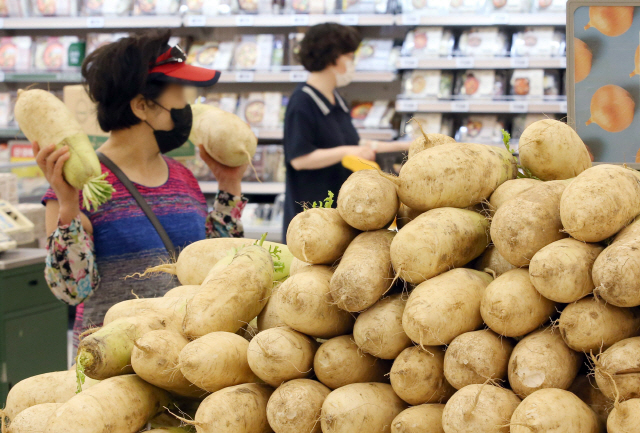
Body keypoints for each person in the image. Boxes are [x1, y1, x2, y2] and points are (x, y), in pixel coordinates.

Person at [36, 31, 248, 348]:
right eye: (178, 92)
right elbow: (69, 290)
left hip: (183, 357)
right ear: (142, 106)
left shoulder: (182, 176)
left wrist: (229, 184)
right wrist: (68, 206)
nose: (187, 104)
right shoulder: (79, 185)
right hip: (112, 369)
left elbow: (214, 268)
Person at [282, 23, 409, 241]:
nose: (353, 63)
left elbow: (354, 142)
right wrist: (348, 151)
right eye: (349, 56)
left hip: (342, 213)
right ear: (332, 57)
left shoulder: (337, 99)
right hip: (312, 217)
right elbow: (299, 159)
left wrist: (405, 145)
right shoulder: (302, 102)